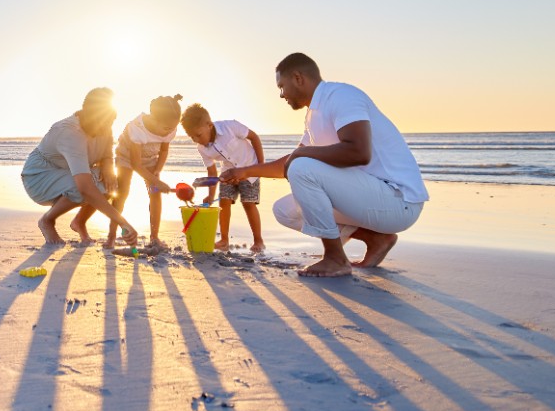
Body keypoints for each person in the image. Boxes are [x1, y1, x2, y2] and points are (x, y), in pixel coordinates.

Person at [223, 53, 428, 277]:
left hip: (399, 200)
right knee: (285, 210)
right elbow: (289, 163)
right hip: (374, 197)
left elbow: (359, 152)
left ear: (298, 78)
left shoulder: (341, 96)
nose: (281, 95)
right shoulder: (313, 115)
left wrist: (302, 153)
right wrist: (245, 171)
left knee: (302, 166)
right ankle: (377, 239)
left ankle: (335, 259)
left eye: (282, 87)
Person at [22, 88, 139, 247]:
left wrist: (108, 168)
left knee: (109, 182)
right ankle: (47, 220)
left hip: (68, 173)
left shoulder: (105, 123)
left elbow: (106, 154)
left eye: (109, 123)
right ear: (88, 115)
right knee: (86, 187)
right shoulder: (69, 132)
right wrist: (123, 222)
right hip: (39, 177)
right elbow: (85, 188)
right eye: (102, 124)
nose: (105, 129)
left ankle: (79, 222)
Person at [180, 103, 266, 252]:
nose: (196, 139)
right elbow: (212, 172)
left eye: (198, 135)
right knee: (224, 203)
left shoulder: (230, 127)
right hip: (228, 173)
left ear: (209, 125)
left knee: (248, 204)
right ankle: (224, 240)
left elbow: (254, 137)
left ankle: (258, 241)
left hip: (250, 168)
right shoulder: (202, 148)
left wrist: (260, 166)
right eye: (191, 137)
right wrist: (210, 195)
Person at [104, 94, 182, 252]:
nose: (170, 132)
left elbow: (164, 151)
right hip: (127, 158)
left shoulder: (169, 129)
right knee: (122, 192)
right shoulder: (137, 129)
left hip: (151, 160)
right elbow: (136, 164)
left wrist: (157, 172)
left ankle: (154, 237)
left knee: (155, 193)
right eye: (167, 128)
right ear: (154, 119)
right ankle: (111, 236)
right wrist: (157, 181)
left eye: (173, 128)